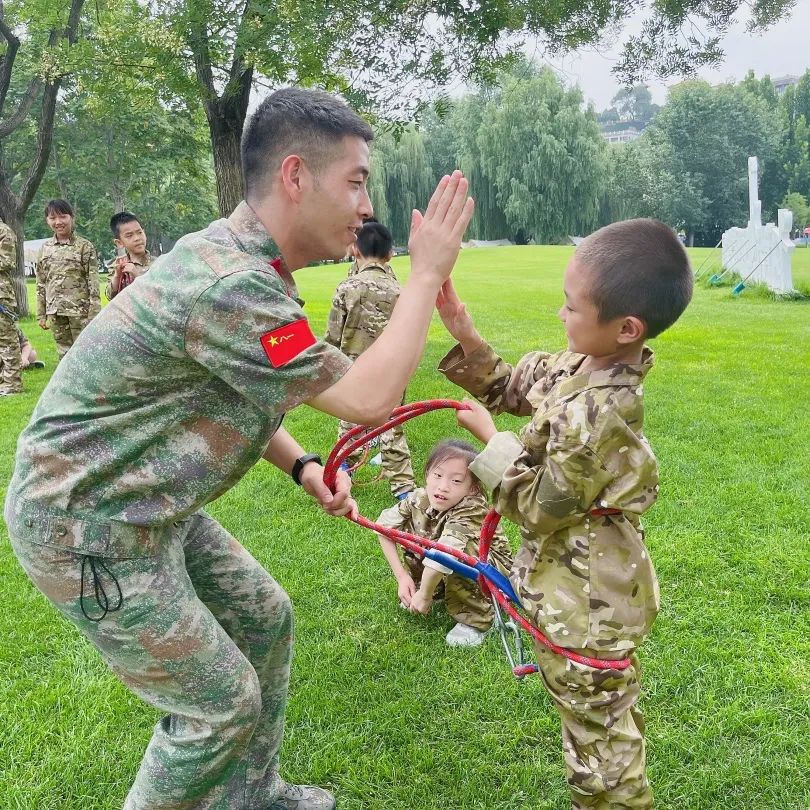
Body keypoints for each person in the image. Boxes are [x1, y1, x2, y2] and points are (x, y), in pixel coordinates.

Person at [5, 86, 473, 810]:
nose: (364, 207)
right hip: (86, 525)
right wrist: (427, 273)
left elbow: (250, 386)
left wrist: (303, 464)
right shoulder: (230, 285)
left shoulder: (244, 273)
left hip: (144, 507)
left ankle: (252, 796)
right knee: (215, 709)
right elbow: (367, 397)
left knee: (264, 616)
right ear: (295, 176)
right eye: (354, 181)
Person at [435, 218, 693, 809]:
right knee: (590, 727)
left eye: (572, 307)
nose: (561, 315)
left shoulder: (604, 410)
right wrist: (467, 337)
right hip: (565, 593)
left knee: (601, 751)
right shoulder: (581, 367)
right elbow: (511, 387)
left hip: (590, 607)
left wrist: (491, 443)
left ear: (626, 327)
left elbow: (542, 507)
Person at [375, 439, 513, 646]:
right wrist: (402, 577)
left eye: (456, 481)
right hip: (443, 558)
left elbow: (445, 554)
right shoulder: (418, 499)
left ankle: (479, 617)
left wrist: (423, 595)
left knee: (458, 553)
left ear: (472, 488)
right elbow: (383, 529)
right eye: (437, 475)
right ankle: (436, 589)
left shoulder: (472, 508)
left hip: (493, 573)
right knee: (414, 530)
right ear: (427, 475)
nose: (442, 487)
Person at [325, 220, 415, 500]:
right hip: (390, 375)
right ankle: (404, 492)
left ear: (355, 250)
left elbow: (331, 337)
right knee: (391, 429)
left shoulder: (346, 288)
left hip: (351, 374)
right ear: (390, 254)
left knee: (348, 428)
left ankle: (342, 474)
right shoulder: (400, 291)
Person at [35, 199, 101, 360]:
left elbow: (93, 281)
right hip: (55, 311)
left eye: (63, 216)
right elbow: (41, 282)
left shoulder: (84, 246)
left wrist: (94, 313)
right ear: (47, 220)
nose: (58, 222)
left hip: (80, 312)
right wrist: (41, 314)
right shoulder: (45, 248)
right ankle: (67, 385)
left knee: (86, 352)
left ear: (71, 217)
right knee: (64, 354)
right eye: (52, 218)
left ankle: (89, 385)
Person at [106, 211, 154, 300]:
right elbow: (110, 297)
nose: (137, 238)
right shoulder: (117, 266)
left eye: (139, 232)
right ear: (119, 242)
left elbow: (161, 295)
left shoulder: (159, 263)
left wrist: (137, 276)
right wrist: (117, 276)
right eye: (129, 235)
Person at [0, 217, 22, 395]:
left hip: (1, 295)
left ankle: (12, 383)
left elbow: (7, 261)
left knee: (7, 339)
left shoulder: (3, 231)